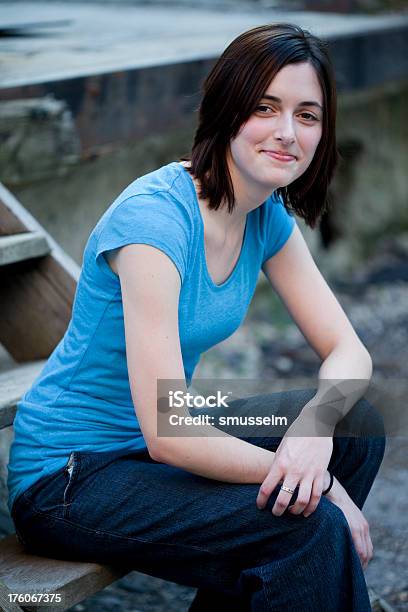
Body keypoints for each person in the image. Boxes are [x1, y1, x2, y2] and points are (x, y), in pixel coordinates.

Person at [8, 23, 385, 611]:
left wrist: (314, 428)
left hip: (156, 438)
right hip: (72, 475)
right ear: (227, 110)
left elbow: (349, 350)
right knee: (309, 522)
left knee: (353, 425)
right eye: (265, 108)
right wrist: (327, 489)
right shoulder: (154, 224)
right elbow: (169, 435)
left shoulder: (264, 215)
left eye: (307, 115)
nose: (287, 133)